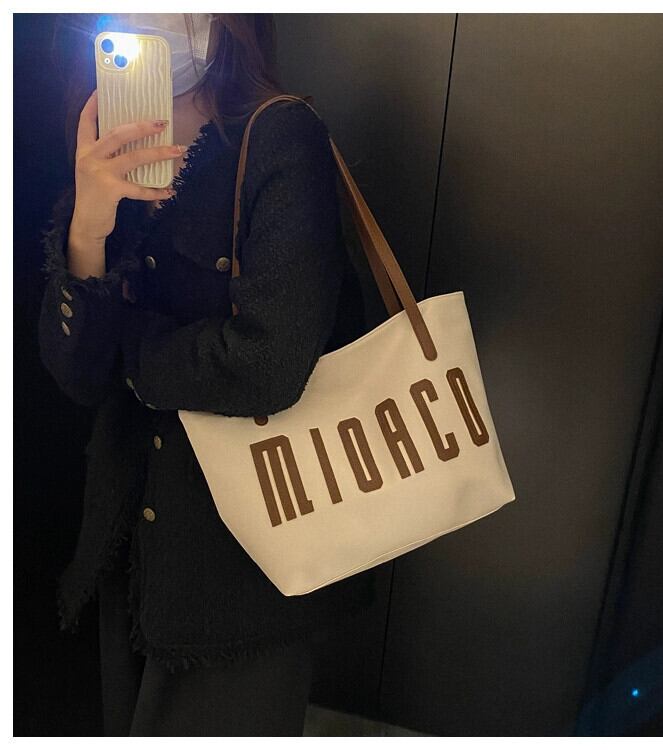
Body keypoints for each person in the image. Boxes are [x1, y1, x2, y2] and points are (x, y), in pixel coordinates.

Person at [37, 13, 376, 736]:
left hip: (243, 567)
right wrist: (88, 228)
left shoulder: (280, 136)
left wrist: (132, 355)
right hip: (128, 548)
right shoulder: (103, 147)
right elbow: (76, 376)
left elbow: (268, 365)